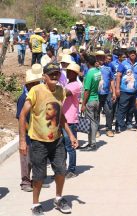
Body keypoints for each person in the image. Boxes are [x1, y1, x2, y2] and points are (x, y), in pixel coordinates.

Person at [18, 63, 78, 216]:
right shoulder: (35, 91)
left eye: (56, 73)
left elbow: (60, 116)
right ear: (44, 76)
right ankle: (35, 204)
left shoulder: (60, 91)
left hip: (56, 140)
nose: (54, 76)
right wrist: (23, 141)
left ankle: (58, 199)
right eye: (50, 73)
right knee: (38, 175)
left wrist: (70, 135)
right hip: (38, 141)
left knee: (61, 170)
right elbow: (23, 115)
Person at [16, 65, 43, 192]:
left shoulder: (35, 95)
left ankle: (34, 180)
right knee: (25, 159)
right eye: (34, 84)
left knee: (35, 159)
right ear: (28, 85)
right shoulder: (23, 99)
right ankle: (25, 182)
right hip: (27, 134)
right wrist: (30, 130)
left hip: (36, 132)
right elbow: (21, 117)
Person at [116, 47, 137, 132]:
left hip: (135, 90)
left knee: (132, 108)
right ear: (128, 54)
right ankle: (119, 125)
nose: (132, 54)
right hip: (124, 90)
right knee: (122, 108)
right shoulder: (123, 63)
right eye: (130, 52)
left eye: (134, 52)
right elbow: (118, 76)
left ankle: (128, 123)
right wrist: (117, 88)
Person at [62, 63, 82, 179]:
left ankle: (72, 169)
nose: (68, 73)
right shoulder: (68, 83)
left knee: (70, 146)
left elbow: (65, 93)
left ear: (74, 74)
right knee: (62, 147)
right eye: (67, 71)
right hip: (63, 118)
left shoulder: (75, 85)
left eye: (70, 71)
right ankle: (62, 169)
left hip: (70, 120)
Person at [81, 55, 101, 151]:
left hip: (90, 100)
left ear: (88, 63)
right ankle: (91, 143)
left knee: (90, 123)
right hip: (96, 99)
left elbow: (87, 90)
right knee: (94, 121)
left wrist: (83, 104)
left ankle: (92, 144)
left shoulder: (89, 73)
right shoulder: (98, 72)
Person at [96, 51, 116, 137]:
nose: (101, 59)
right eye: (99, 57)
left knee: (109, 111)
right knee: (96, 112)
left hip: (107, 93)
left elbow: (111, 80)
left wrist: (114, 92)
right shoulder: (93, 68)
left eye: (102, 57)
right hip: (96, 94)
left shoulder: (108, 68)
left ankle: (109, 129)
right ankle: (96, 130)